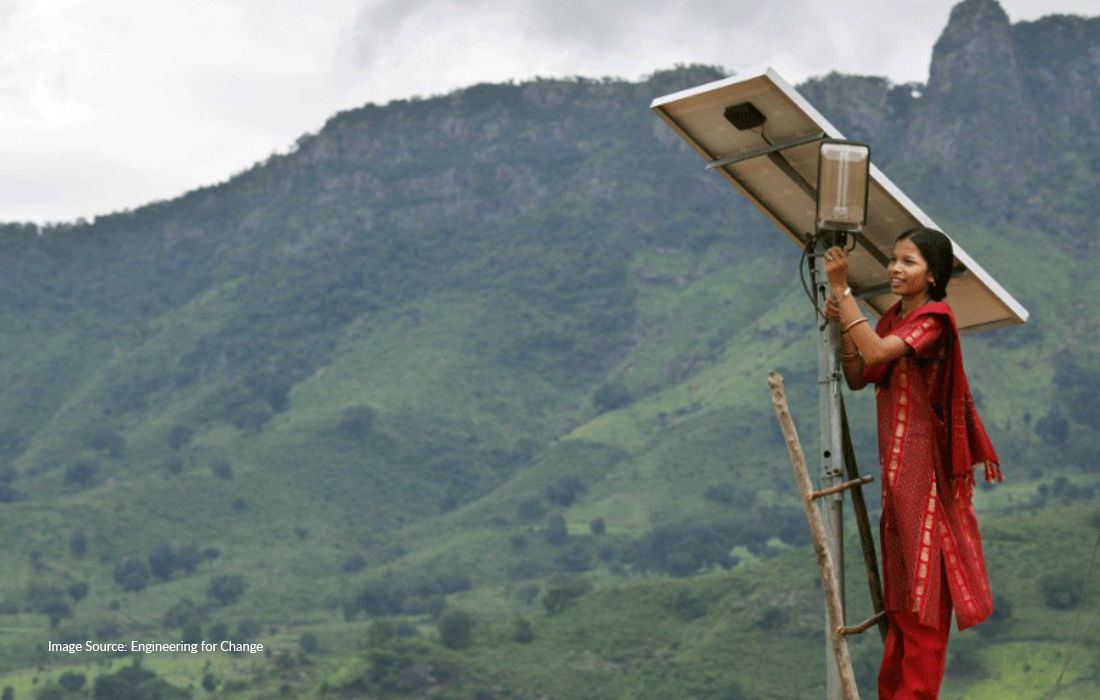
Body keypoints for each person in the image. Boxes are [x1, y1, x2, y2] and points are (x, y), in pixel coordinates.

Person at [822, 227, 1001, 699]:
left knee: (924, 609)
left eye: (909, 262)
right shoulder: (894, 321)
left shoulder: (933, 320)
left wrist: (843, 293)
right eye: (895, 260)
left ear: (933, 274)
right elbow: (861, 374)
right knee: (901, 607)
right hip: (899, 482)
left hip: (929, 485)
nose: (896, 269)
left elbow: (877, 353)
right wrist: (844, 320)